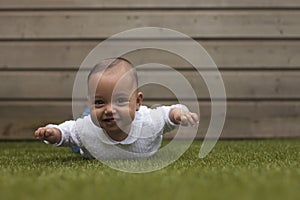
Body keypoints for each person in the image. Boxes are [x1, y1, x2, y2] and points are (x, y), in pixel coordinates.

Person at [34, 57, 199, 159]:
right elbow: (68, 132)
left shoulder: (148, 122)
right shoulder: (86, 129)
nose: (109, 109)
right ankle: (92, 109)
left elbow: (167, 114)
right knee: (78, 139)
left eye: (120, 100)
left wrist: (179, 114)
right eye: (99, 102)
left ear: (137, 102)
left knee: (97, 115)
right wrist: (54, 133)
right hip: (93, 139)